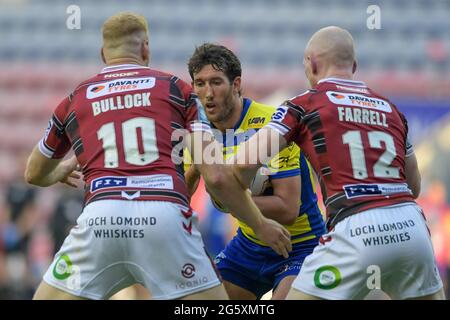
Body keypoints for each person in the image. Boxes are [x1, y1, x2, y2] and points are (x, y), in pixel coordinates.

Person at [24, 12, 291, 300]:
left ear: (103, 53)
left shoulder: (76, 98)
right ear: (145, 48)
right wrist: (260, 224)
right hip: (164, 216)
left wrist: (60, 169)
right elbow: (215, 175)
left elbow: (34, 173)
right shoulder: (177, 89)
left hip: (101, 218)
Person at [232, 26, 445, 300]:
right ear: (354, 66)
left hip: (356, 227)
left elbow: (242, 164)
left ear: (312, 63)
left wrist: (252, 186)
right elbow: (414, 186)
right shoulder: (392, 109)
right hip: (412, 228)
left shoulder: (303, 105)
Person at [186, 43, 326, 299]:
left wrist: (229, 200)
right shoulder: (198, 134)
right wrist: (195, 169)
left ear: (236, 84)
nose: (208, 93)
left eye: (216, 82)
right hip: (249, 245)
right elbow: (180, 198)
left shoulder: (274, 125)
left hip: (300, 244)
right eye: (200, 83)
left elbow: (287, 209)